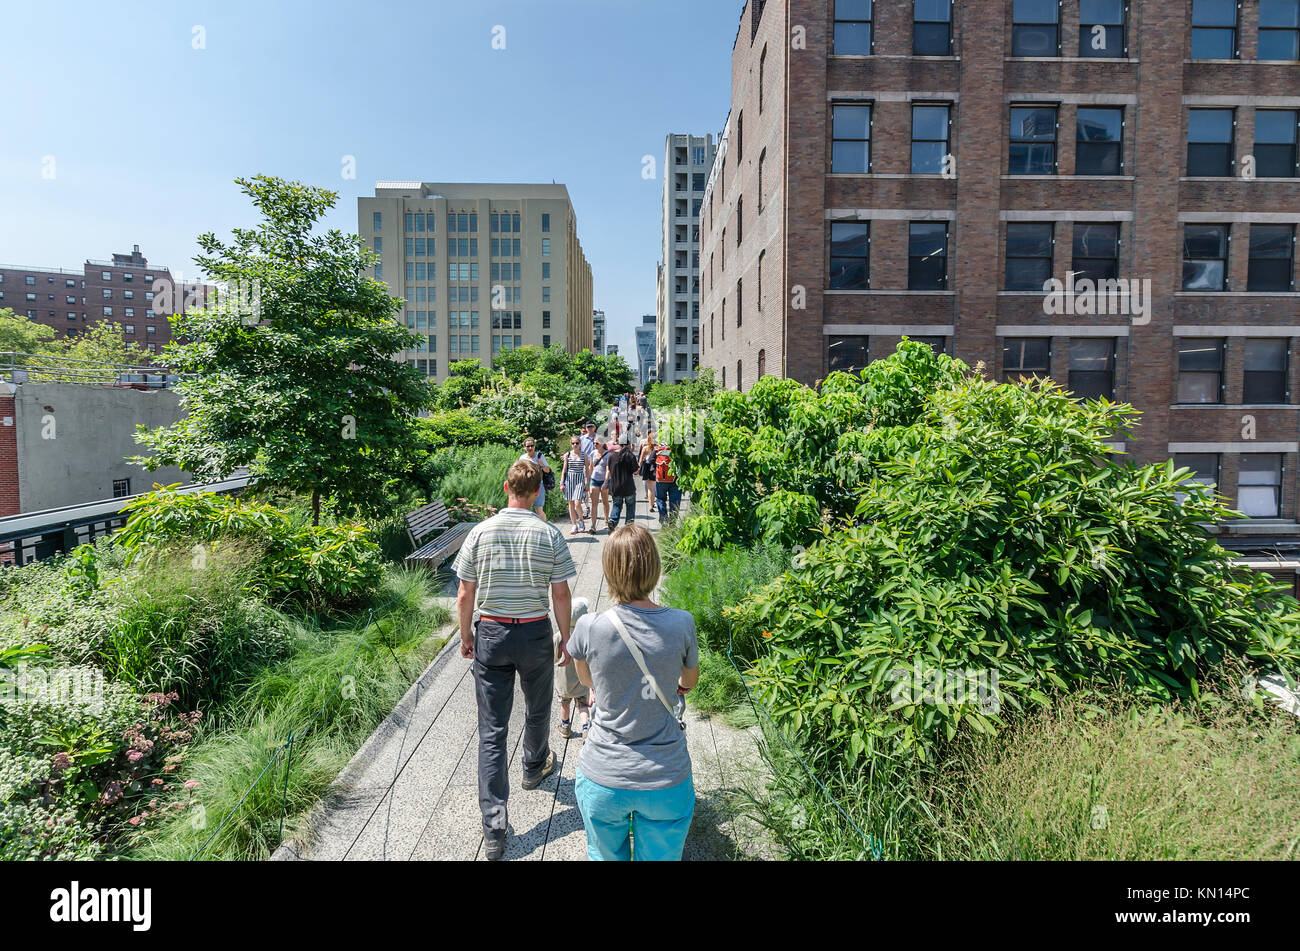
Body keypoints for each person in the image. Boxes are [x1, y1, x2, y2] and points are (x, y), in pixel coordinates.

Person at [454, 460, 577, 861]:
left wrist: (466, 634)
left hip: (491, 631)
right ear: (539, 490)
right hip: (535, 631)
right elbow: (560, 594)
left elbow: (464, 594)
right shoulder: (549, 535)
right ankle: (533, 764)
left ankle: (494, 827)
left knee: (492, 730)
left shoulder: (480, 532)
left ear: (506, 486)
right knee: (539, 705)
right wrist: (567, 636)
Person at [568, 524, 699, 861]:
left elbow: (587, 681)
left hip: (603, 776)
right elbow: (690, 679)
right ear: (654, 568)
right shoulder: (681, 622)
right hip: (666, 778)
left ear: (610, 571)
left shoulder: (589, 626)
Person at [556, 597, 592, 737]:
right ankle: (586, 729)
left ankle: (565, 728)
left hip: (564, 683)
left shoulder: (560, 636)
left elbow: (552, 654)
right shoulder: (585, 636)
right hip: (581, 682)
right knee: (583, 707)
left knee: (564, 705)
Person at [605, 439, 640, 531]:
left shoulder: (611, 456)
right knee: (630, 506)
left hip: (615, 486)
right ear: (628, 444)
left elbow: (609, 470)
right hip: (628, 486)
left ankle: (612, 520)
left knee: (616, 505)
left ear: (619, 444)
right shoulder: (630, 455)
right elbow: (636, 472)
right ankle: (629, 525)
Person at [561, 435, 592, 535]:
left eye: (577, 443)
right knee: (571, 503)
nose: (575, 445)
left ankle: (581, 521)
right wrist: (562, 483)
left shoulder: (584, 455)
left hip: (579, 479)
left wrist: (587, 483)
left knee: (578, 503)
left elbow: (587, 470)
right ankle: (574, 525)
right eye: (573, 443)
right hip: (569, 479)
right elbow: (564, 470)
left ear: (580, 444)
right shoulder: (568, 455)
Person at [519, 437, 551, 520]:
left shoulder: (540, 456)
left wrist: (541, 464)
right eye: (528, 446)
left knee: (539, 510)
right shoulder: (522, 458)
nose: (530, 448)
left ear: (534, 446)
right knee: (526, 509)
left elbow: (547, 470)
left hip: (538, 485)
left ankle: (544, 528)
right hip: (526, 486)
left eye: (532, 446)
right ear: (524, 447)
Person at [587, 439, 613, 533]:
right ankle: (593, 526)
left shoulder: (608, 455)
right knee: (594, 503)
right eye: (594, 443)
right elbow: (590, 467)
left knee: (605, 502)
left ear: (602, 444)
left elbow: (608, 470)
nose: (595, 445)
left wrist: (605, 482)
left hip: (604, 481)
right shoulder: (593, 453)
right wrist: (588, 481)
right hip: (594, 480)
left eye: (597, 443)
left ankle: (606, 520)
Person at [653, 442, 682, 522]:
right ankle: (673, 522)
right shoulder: (678, 446)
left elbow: (650, 460)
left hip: (660, 479)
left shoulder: (658, 447)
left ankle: (663, 519)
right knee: (675, 501)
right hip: (675, 478)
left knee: (660, 499)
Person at [638, 427, 657, 507]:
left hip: (646, 467)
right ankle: (654, 502)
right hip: (655, 467)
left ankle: (650, 505)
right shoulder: (657, 448)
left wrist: (638, 468)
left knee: (650, 488)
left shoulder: (645, 448)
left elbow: (641, 459)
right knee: (654, 487)